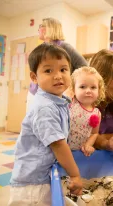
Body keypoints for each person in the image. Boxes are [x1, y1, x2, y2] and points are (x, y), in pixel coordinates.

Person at [9, 44, 83, 206]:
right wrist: (75, 175)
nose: (58, 76)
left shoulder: (58, 101)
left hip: (43, 176)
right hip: (32, 184)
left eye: (63, 70)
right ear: (34, 77)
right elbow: (58, 144)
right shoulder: (44, 108)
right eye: (48, 71)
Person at [27, 17, 87, 111]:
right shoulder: (42, 48)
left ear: (50, 28)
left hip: (52, 95)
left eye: (41, 26)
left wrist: (70, 85)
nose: (38, 29)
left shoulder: (64, 47)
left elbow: (84, 67)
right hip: (36, 92)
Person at [68, 66, 105, 156]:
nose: (88, 90)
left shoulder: (97, 113)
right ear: (73, 89)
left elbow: (94, 133)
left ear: (99, 91)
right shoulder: (70, 104)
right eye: (82, 87)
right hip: (64, 151)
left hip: (80, 153)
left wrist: (88, 145)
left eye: (93, 87)